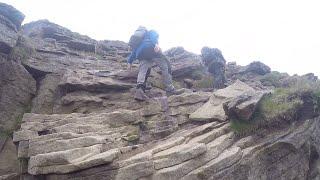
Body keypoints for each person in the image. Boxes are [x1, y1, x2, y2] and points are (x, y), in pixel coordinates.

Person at [128, 27, 183, 101]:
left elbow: (134, 52)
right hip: (151, 49)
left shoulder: (138, 40)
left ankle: (139, 91)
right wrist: (156, 44)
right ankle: (170, 89)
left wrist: (129, 61)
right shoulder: (150, 31)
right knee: (166, 66)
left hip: (141, 54)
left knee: (143, 71)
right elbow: (153, 36)